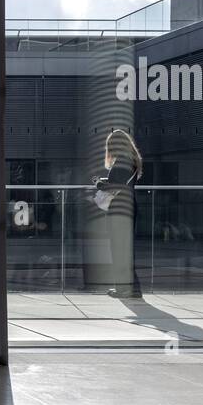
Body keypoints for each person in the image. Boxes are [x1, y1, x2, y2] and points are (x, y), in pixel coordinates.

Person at [93, 128, 143, 298]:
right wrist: (106, 181)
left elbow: (116, 186)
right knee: (126, 250)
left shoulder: (121, 162)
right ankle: (133, 289)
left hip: (120, 210)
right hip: (129, 207)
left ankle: (124, 289)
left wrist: (99, 185)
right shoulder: (131, 160)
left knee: (118, 250)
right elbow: (121, 182)